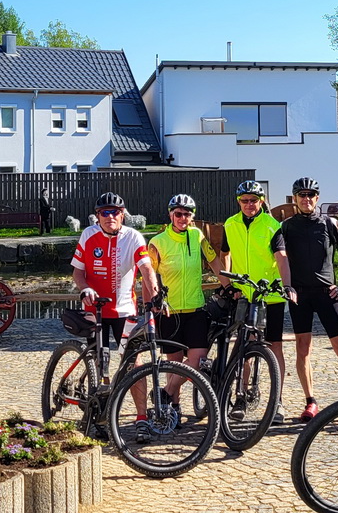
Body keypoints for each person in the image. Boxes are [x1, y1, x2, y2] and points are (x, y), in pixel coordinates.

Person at [71, 192, 161, 438]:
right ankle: (96, 416)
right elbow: (77, 272)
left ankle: (141, 418)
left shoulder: (133, 237)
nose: (110, 217)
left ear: (123, 214)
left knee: (134, 362)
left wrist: (153, 295)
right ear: (97, 216)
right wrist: (84, 288)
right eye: (104, 213)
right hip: (95, 309)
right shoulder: (88, 235)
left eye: (115, 212)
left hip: (124, 309)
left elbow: (146, 268)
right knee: (100, 361)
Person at [271, 177, 338, 420]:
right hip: (300, 295)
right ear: (294, 199)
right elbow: (282, 256)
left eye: (311, 195)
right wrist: (287, 286)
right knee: (302, 348)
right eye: (301, 195)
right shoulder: (286, 226)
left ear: (317, 198)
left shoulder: (330, 223)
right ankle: (310, 401)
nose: (306, 199)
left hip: (326, 293)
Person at [217, 180, 288, 398]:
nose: (249, 204)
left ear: (262, 201)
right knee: (244, 346)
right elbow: (224, 254)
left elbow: (282, 258)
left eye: (254, 200)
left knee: (274, 346)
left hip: (270, 295)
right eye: (244, 201)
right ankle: (242, 392)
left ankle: (277, 399)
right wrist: (227, 284)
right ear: (238, 201)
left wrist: (287, 286)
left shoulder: (272, 225)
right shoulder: (230, 224)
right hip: (244, 294)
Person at [147, 194, 217, 410]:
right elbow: (149, 274)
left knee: (197, 360)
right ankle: (173, 408)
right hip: (170, 311)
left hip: (196, 308)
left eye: (187, 214)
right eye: (178, 214)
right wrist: (153, 302)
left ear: (192, 216)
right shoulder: (157, 242)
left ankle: (165, 394)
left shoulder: (198, 237)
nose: (182, 218)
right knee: (174, 364)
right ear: (170, 215)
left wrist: (228, 285)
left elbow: (214, 261)